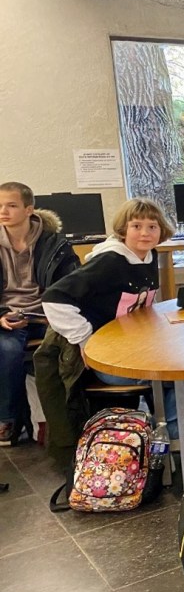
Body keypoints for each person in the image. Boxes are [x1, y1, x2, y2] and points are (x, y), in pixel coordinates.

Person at [39, 198, 184, 439]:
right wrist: (84, 339)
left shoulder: (147, 257)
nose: (145, 233)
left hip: (136, 349)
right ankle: (177, 442)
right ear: (123, 229)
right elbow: (53, 298)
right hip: (109, 360)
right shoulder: (109, 262)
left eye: (152, 227)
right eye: (136, 226)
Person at [0, 181, 79, 445]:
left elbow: (71, 283)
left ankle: (68, 420)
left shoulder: (55, 243)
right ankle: (8, 419)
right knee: (7, 350)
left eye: (11, 205)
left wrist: (51, 313)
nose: (3, 211)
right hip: (7, 315)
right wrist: (2, 315)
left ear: (29, 209)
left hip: (47, 314)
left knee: (68, 346)